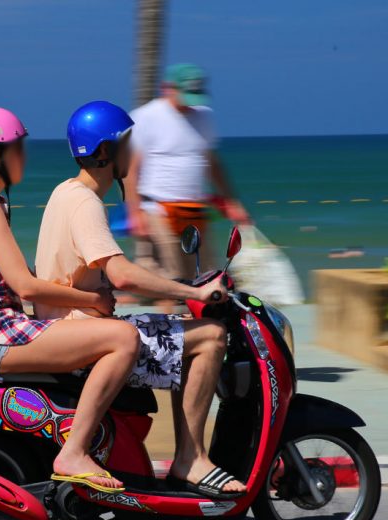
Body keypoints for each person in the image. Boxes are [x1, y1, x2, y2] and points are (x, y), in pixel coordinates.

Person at [35, 100, 246, 499]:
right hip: (85, 338)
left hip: (75, 328)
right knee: (210, 337)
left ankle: (187, 456)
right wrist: (194, 292)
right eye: (127, 144)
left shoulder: (65, 192)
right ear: (103, 152)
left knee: (182, 331)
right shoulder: (85, 203)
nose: (135, 153)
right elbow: (122, 273)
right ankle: (192, 458)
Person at [0, 107, 142, 493]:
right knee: (123, 338)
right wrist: (90, 300)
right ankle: (75, 452)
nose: (24, 155)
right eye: (18, 147)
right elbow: (25, 286)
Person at [125, 63, 250, 281]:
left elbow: (212, 163)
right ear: (168, 88)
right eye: (185, 95)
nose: (190, 104)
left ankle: (198, 315)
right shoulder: (146, 116)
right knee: (171, 278)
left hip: (194, 210)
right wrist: (135, 214)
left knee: (207, 276)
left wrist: (230, 201)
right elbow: (130, 171)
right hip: (156, 209)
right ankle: (169, 312)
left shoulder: (204, 116)